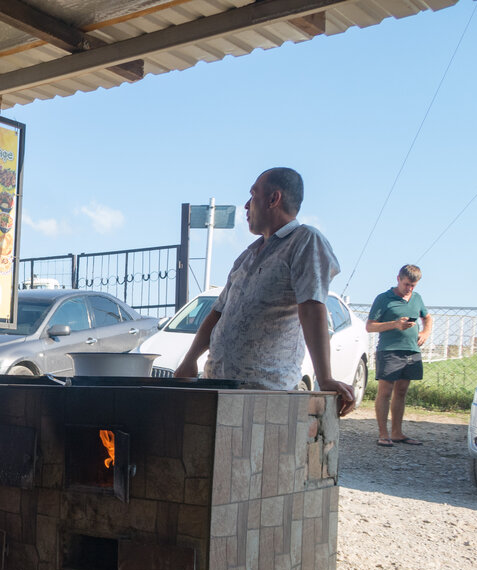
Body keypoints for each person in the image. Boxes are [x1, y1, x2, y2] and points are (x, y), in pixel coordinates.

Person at [176, 167, 355, 417]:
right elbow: (218, 313)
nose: (246, 205)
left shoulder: (304, 240)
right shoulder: (246, 256)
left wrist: (325, 378)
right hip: (217, 391)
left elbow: (312, 306)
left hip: (265, 396)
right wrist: (188, 360)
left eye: (253, 195)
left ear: (274, 199)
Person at [366, 264, 431, 447]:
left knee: (401, 391)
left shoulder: (417, 298)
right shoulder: (383, 299)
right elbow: (370, 326)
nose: (409, 289)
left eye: (413, 285)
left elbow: (427, 317)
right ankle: (383, 433)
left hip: (411, 350)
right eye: (406, 284)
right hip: (389, 350)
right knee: (385, 391)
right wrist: (395, 324)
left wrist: (425, 332)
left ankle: (397, 433)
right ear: (398, 279)